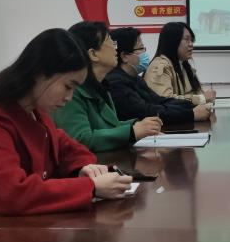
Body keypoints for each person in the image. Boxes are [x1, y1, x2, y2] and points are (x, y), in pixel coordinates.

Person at [0, 29, 132, 236]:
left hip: (19, 231)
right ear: (40, 74)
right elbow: (12, 194)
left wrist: (84, 168)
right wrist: (90, 187)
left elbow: (66, 147)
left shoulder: (35, 112)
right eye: (68, 86)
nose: (69, 97)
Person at [53, 22, 162, 151]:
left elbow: (109, 126)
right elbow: (79, 139)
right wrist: (132, 131)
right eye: (110, 42)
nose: (115, 49)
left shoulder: (100, 85)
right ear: (93, 54)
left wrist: (136, 125)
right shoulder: (72, 92)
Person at [104, 27, 211, 125]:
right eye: (141, 48)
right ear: (124, 56)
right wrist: (191, 114)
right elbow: (148, 112)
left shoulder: (136, 78)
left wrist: (192, 106)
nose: (144, 53)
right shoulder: (115, 84)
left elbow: (161, 100)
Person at [144, 22, 216, 105]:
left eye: (191, 40)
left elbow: (196, 93)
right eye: (186, 39)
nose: (191, 44)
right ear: (172, 41)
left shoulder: (183, 65)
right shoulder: (159, 67)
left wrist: (206, 100)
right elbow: (165, 101)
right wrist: (201, 99)